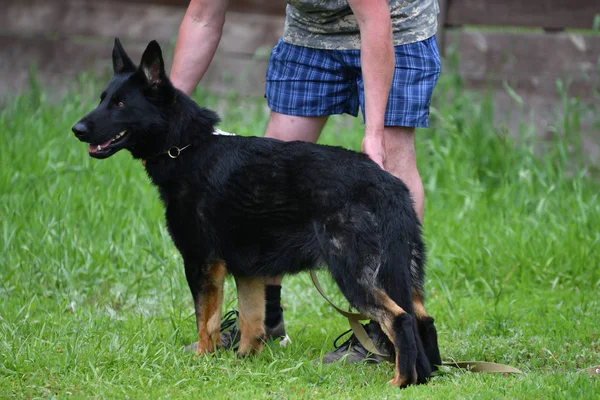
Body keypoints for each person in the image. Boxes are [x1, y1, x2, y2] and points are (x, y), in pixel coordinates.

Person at [171, 0, 441, 363]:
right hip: (311, 35)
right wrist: (167, 110)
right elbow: (204, 16)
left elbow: (375, 22)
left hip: (395, 27)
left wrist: (373, 131)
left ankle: (389, 327)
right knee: (269, 173)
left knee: (391, 157)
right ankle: (265, 319)